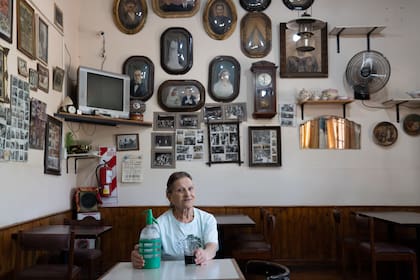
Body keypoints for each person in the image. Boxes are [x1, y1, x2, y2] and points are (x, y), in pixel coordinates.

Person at [131, 171, 218, 268]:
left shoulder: (207, 219)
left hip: (201, 272)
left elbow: (212, 247)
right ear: (169, 196)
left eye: (190, 189)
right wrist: (139, 256)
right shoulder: (159, 225)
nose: (188, 194)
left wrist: (205, 254)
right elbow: (148, 252)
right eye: (180, 190)